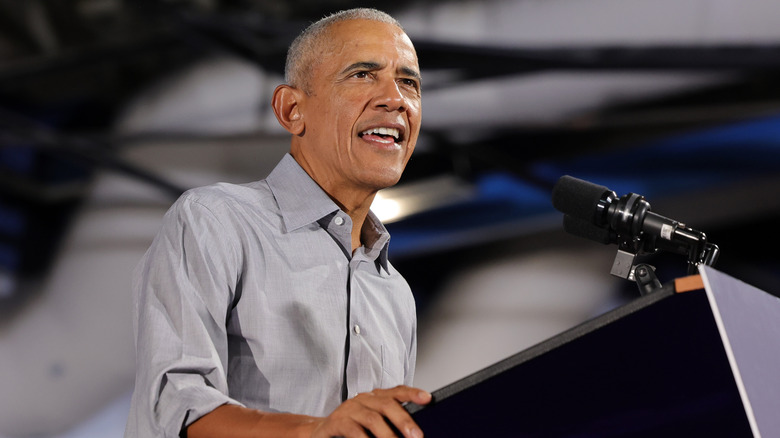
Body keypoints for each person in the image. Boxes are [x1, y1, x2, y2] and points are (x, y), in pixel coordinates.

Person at [124, 7, 432, 438]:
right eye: (363, 74)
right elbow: (176, 402)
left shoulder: (395, 292)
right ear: (291, 110)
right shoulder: (217, 221)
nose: (396, 98)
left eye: (409, 82)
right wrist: (314, 431)